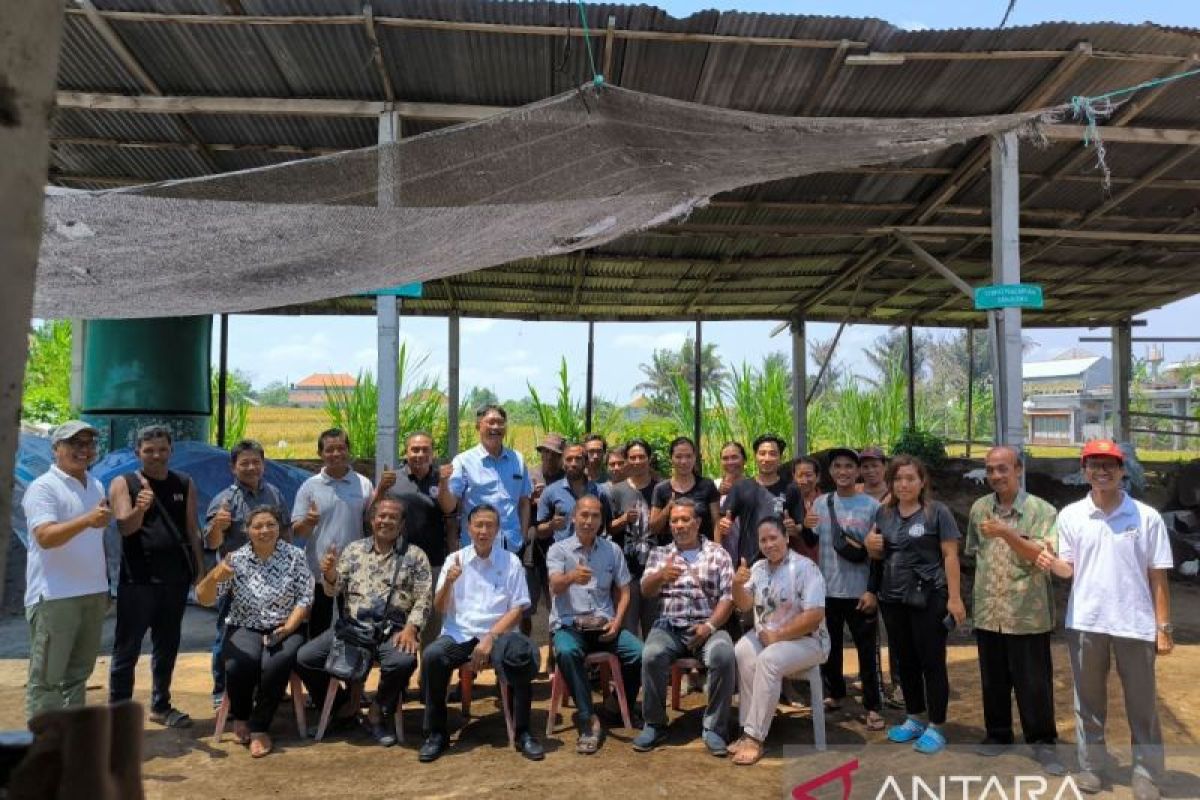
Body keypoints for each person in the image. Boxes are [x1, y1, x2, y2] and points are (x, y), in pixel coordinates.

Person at [1036, 440, 1173, 799]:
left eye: (1109, 464)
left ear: (1122, 469)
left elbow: (1158, 576)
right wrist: (1052, 563)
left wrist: (1163, 628)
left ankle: (1145, 773)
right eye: (1094, 464)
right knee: (1089, 703)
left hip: (1136, 623)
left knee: (1142, 704)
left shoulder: (1146, 517)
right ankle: (1093, 768)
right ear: (1084, 471)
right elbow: (1069, 570)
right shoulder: (1071, 516)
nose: (1102, 470)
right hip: (1086, 622)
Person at [296, 497, 432, 747]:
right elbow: (333, 590)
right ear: (372, 520)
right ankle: (344, 709)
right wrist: (329, 573)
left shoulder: (415, 556)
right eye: (381, 516)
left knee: (403, 661)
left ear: (402, 524)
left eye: (393, 517)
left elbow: (424, 598)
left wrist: (412, 629)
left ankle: (377, 712)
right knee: (305, 657)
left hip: (393, 631)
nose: (386, 521)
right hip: (353, 630)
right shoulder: (353, 550)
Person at [419, 504, 544, 762]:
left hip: (500, 634)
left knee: (520, 656)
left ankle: (523, 732)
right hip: (460, 633)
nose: (483, 531)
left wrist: (489, 639)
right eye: (478, 525)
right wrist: (448, 584)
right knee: (432, 656)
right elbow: (440, 607)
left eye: (489, 525)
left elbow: (518, 609)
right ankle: (437, 733)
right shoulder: (455, 560)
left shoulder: (510, 561)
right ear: (469, 528)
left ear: (498, 530)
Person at [965, 446, 1063, 774]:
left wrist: (1007, 532)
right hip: (990, 610)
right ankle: (998, 734)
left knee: (1033, 682)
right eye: (990, 470)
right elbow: (975, 553)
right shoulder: (980, 509)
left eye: (1002, 469)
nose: (996, 476)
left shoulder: (1042, 511)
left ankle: (1043, 742)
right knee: (993, 679)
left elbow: (1042, 558)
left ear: (1018, 470)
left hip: (1026, 611)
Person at [865, 455, 965, 755]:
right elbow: (877, 558)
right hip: (893, 600)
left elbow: (950, 556)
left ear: (922, 482)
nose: (904, 484)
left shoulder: (937, 513)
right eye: (898, 479)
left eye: (910, 478)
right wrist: (871, 551)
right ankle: (915, 717)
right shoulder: (884, 514)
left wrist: (955, 598)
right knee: (905, 661)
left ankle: (936, 725)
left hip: (928, 598)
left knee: (931, 662)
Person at [107, 425, 204, 729]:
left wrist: (200, 571)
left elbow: (191, 529)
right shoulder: (123, 483)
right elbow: (126, 527)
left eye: (162, 449)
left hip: (175, 581)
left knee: (167, 645)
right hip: (138, 581)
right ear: (138, 452)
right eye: (149, 450)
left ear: (170, 450)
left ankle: (161, 705)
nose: (157, 455)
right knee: (127, 649)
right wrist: (140, 507)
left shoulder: (184, 483)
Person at [196, 506, 312, 758]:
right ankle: (241, 714)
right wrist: (216, 576)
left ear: (279, 528)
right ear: (247, 531)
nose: (264, 530)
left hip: (286, 625)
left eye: (270, 524)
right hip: (244, 624)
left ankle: (259, 727)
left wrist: (288, 627)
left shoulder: (294, 556)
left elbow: (305, 598)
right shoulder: (235, 558)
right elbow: (204, 598)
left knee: (276, 662)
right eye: (257, 526)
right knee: (240, 662)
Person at [20, 421, 112, 720]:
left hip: (92, 593)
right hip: (55, 596)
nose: (83, 450)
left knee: (77, 675)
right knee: (47, 678)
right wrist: (87, 520)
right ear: (56, 448)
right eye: (75, 444)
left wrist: (105, 587)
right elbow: (45, 537)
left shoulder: (95, 484)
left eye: (89, 444)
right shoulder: (43, 488)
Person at [635, 498, 735, 756]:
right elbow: (645, 591)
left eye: (685, 519)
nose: (679, 525)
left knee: (723, 655)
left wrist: (710, 626)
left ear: (698, 522)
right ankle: (655, 724)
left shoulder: (718, 553)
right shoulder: (660, 554)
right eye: (675, 521)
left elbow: (728, 597)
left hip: (707, 625)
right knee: (651, 654)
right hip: (669, 627)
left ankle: (714, 728)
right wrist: (660, 575)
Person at [547, 495, 643, 754]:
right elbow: (555, 586)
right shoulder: (559, 550)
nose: (589, 521)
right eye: (584, 515)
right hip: (570, 625)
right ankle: (588, 718)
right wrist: (570, 577)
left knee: (640, 653)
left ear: (602, 520)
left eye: (595, 516)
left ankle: (614, 706)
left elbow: (624, 591)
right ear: (574, 517)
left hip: (603, 625)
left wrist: (617, 621)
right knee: (566, 652)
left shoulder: (612, 551)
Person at [731, 517, 829, 765]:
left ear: (786, 537)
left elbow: (814, 617)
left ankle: (755, 737)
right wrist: (736, 585)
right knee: (743, 649)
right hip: (768, 636)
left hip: (807, 641)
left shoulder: (806, 567)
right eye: (763, 540)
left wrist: (777, 636)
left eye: (773, 537)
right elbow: (744, 605)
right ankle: (747, 726)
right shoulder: (758, 569)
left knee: (769, 659)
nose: (768, 544)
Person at [205, 439, 293, 705]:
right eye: (244, 463)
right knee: (228, 636)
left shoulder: (274, 494)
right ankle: (223, 691)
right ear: (233, 467)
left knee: (272, 633)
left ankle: (267, 685)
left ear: (263, 465)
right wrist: (218, 527)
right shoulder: (224, 500)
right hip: (236, 584)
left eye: (256, 462)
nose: (251, 467)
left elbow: (286, 532)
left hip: (273, 582)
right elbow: (210, 543)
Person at [807, 448, 884, 730]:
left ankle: (873, 706)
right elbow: (811, 540)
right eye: (837, 466)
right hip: (826, 591)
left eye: (849, 466)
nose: (843, 471)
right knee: (831, 647)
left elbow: (878, 555)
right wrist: (800, 528)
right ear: (830, 472)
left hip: (859, 591)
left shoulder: (872, 507)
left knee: (867, 652)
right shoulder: (820, 503)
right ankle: (836, 693)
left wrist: (872, 591)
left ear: (858, 471)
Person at [292, 428, 382, 637]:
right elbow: (297, 531)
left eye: (340, 448)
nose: (335, 454)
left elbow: (372, 524)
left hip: (355, 569)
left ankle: (346, 668)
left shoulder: (363, 484)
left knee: (352, 625)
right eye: (329, 450)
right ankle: (315, 668)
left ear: (348, 450)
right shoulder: (310, 486)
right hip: (317, 569)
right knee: (318, 625)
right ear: (320, 454)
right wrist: (308, 521)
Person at [382, 432, 457, 649]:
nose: (420, 454)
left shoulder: (440, 479)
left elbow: (449, 508)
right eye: (415, 449)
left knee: (432, 625)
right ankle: (402, 674)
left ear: (433, 454)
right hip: (398, 561)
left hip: (434, 562)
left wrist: (443, 482)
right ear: (406, 452)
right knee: (400, 621)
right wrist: (380, 488)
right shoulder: (393, 480)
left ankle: (428, 679)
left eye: (425, 449)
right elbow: (375, 516)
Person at [528, 442, 608, 638]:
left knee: (591, 607)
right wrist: (552, 525)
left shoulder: (599, 491)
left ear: (586, 461)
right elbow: (539, 530)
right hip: (561, 560)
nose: (573, 463)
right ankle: (556, 656)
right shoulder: (551, 491)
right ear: (563, 462)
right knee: (557, 609)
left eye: (578, 459)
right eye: (569, 459)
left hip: (593, 558)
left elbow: (606, 525)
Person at [440, 404, 532, 556]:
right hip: (476, 547)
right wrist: (443, 483)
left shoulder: (518, 459)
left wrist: (522, 535)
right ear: (478, 426)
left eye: (500, 422)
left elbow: (524, 502)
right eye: (491, 422)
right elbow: (449, 506)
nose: (496, 427)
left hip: (511, 546)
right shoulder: (463, 462)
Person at [858, 445, 903, 710]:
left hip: (891, 572)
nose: (870, 470)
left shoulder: (895, 495)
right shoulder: (857, 495)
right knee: (869, 632)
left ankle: (899, 684)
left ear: (884, 467)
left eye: (875, 465)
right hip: (863, 573)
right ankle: (874, 686)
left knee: (896, 632)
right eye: (865, 466)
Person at [607, 440, 664, 637]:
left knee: (655, 630)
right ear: (627, 461)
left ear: (649, 459)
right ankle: (630, 668)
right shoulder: (616, 491)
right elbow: (607, 529)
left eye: (641, 457)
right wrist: (623, 520)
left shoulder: (661, 489)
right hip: (626, 571)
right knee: (628, 629)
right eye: (632, 457)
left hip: (656, 570)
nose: (637, 461)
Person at [718, 433, 791, 564]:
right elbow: (721, 522)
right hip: (748, 564)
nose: (767, 458)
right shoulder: (740, 487)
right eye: (762, 453)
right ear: (755, 456)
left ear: (781, 457)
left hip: (782, 563)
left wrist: (796, 528)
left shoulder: (791, 488)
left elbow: (799, 528)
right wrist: (723, 526)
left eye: (772, 453)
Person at [650, 436, 721, 543]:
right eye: (678, 457)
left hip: (704, 553)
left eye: (688, 456)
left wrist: (717, 549)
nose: (684, 461)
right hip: (671, 553)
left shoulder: (707, 485)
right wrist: (667, 508)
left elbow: (716, 521)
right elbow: (653, 528)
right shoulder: (661, 489)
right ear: (671, 459)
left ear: (695, 458)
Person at [783, 455, 822, 562]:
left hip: (819, 564)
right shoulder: (785, 501)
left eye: (809, 475)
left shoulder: (826, 503)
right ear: (793, 477)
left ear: (817, 477)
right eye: (800, 475)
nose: (804, 480)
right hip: (791, 565)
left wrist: (800, 527)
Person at [715, 441, 747, 563]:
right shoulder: (714, 485)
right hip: (721, 552)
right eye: (725, 458)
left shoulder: (754, 485)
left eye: (734, 457)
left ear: (744, 460)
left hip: (747, 551)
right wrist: (718, 495)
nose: (730, 462)